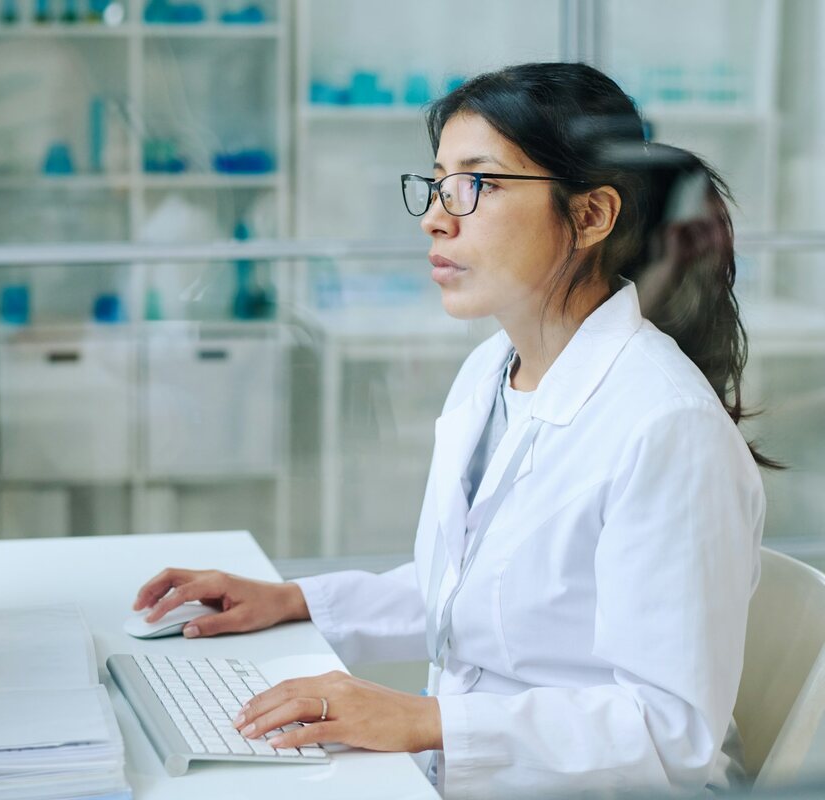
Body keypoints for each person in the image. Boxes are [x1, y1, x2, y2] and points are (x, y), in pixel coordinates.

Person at [132, 62, 771, 799]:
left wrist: (430, 720)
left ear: (593, 215)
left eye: (480, 184)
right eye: (438, 183)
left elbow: (672, 734)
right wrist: (295, 600)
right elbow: (479, 591)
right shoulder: (493, 371)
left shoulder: (667, 428)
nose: (438, 216)